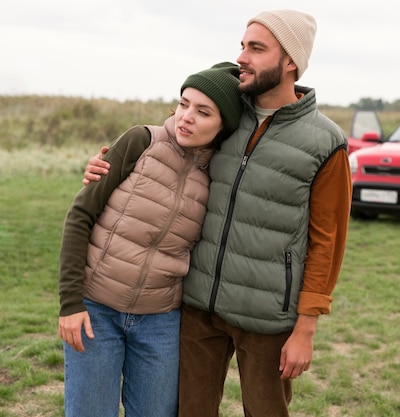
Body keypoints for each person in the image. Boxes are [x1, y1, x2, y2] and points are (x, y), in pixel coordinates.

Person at [83, 9, 352, 417]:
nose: (242, 56)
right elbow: (172, 142)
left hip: (267, 318)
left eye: (256, 48)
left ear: (291, 62)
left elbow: (327, 240)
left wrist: (306, 326)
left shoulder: (325, 141)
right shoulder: (227, 114)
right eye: (242, 46)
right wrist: (110, 162)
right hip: (197, 307)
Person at [59, 63, 243, 417]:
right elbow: (80, 216)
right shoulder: (141, 141)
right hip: (96, 311)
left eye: (203, 112)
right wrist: (70, 303)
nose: (187, 117)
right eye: (184, 103)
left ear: (225, 125)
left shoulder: (222, 175)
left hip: (160, 321)